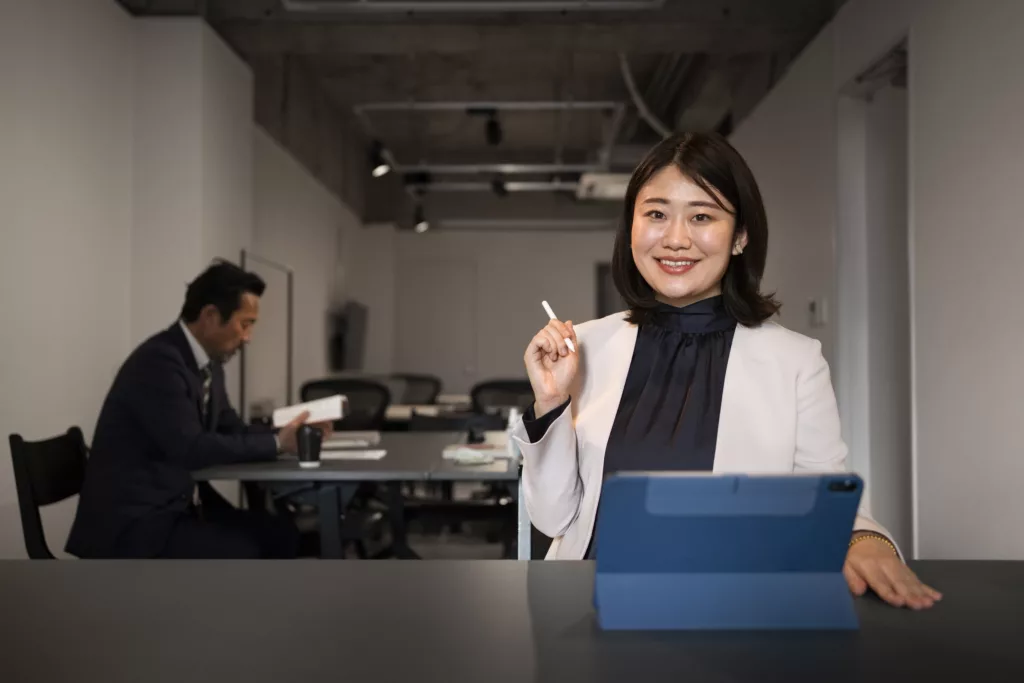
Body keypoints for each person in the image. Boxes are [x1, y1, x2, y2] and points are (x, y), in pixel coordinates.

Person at [516, 132, 941, 610]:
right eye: (656, 214)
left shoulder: (796, 361)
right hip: (591, 606)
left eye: (702, 216)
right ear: (631, 228)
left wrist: (867, 541)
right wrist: (551, 403)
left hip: (729, 610)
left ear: (739, 236)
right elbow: (554, 520)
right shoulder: (586, 345)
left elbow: (827, 502)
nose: (676, 238)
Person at [66, 262, 328, 559]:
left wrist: (289, 433)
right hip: (135, 526)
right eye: (245, 323)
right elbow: (191, 448)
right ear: (211, 316)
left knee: (281, 533)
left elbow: (231, 428)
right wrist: (278, 444)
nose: (248, 337)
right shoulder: (158, 363)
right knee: (251, 549)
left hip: (175, 508)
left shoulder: (207, 365)